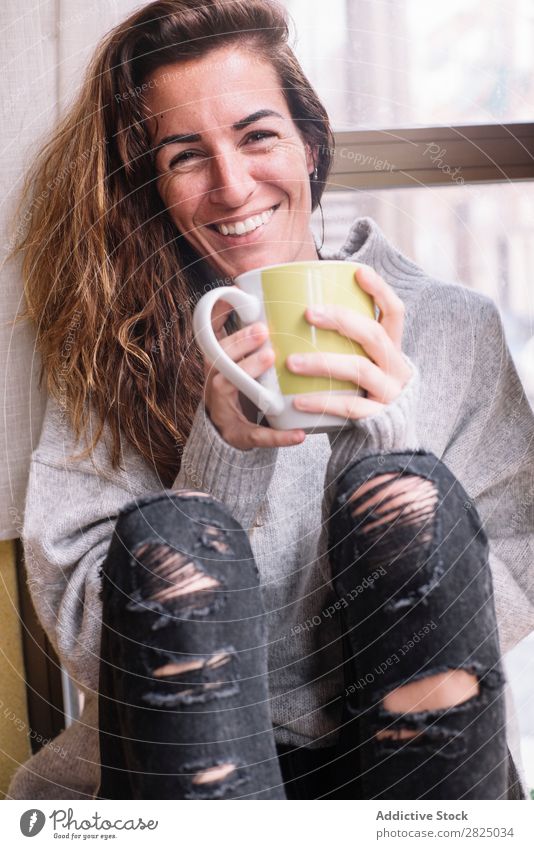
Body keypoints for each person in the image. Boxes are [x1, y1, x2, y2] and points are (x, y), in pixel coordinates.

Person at [7, 0, 534, 800]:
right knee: (173, 529)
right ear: (156, 183)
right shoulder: (116, 342)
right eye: (187, 156)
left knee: (408, 494)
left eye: (258, 136)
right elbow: (91, 640)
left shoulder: (455, 327)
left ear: (310, 145)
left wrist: (387, 445)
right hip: (184, 758)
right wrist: (218, 461)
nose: (231, 184)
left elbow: (509, 603)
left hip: (406, 756)